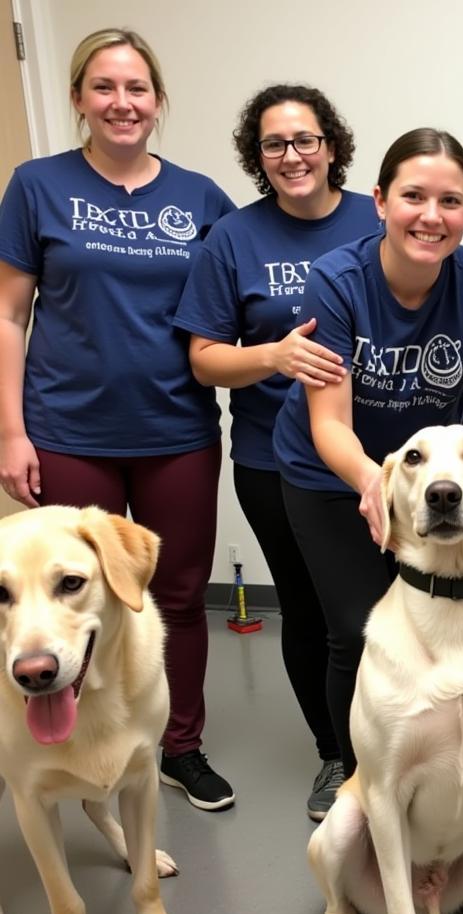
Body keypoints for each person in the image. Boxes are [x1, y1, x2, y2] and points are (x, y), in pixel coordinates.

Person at [0, 28, 235, 810]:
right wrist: (9, 431)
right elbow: (9, 313)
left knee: (176, 592)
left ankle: (180, 746)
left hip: (176, 430)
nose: (122, 102)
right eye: (103, 87)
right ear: (78, 100)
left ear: (158, 102)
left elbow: (239, 301)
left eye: (137, 89)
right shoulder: (37, 185)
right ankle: (77, 746)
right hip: (67, 430)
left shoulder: (200, 198)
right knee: (64, 599)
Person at [271, 128, 463, 779]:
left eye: (451, 201)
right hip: (334, 473)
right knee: (358, 628)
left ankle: (446, 752)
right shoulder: (337, 282)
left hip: (435, 474)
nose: (432, 216)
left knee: (452, 617)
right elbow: (331, 423)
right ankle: (350, 766)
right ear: (379, 201)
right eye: (414, 196)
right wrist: (376, 484)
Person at [174, 85, 380, 821]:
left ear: (331, 145)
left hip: (381, 458)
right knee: (314, 611)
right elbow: (203, 359)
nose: (292, 155)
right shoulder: (234, 237)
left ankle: (398, 745)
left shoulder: (375, 216)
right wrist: (275, 357)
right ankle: (336, 754)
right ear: (256, 157)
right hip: (275, 460)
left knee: (388, 611)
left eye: (305, 139)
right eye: (274, 144)